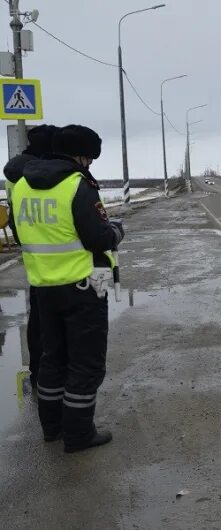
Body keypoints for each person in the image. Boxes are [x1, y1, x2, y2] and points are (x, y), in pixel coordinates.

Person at [10, 125, 124, 453]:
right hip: (82, 287)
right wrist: (117, 231)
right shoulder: (77, 186)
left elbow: (20, 236)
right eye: (88, 158)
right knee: (85, 364)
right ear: (80, 156)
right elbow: (99, 238)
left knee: (51, 359)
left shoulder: (22, 188)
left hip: (43, 288)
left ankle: (52, 428)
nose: (89, 164)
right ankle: (78, 435)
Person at [4, 124, 60, 391]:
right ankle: (55, 379)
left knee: (37, 317)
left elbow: (16, 214)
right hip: (60, 255)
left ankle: (38, 374)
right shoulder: (47, 173)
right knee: (60, 324)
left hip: (32, 250)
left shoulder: (13, 175)